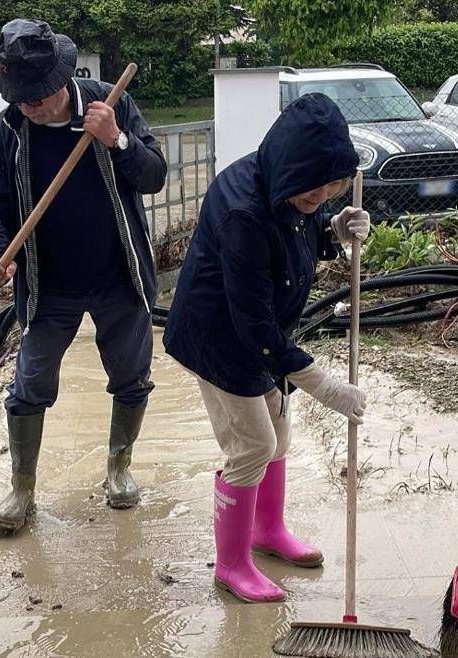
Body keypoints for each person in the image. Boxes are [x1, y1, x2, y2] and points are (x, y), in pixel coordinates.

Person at [163, 94, 370, 603]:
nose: (322, 193)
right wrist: (323, 385)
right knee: (252, 444)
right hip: (219, 337)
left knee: (277, 430)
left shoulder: (291, 187)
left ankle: (267, 531)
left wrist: (335, 231)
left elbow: (300, 227)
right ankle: (231, 564)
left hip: (259, 333)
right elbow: (252, 324)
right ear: (287, 166)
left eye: (335, 183)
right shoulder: (243, 212)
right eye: (313, 186)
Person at [0, 19, 166, 531]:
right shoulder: (6, 130)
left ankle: (118, 471)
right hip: (46, 283)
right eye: (19, 97)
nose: (29, 106)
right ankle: (22, 490)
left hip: (118, 274)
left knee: (130, 376)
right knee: (29, 383)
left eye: (36, 97)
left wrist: (117, 140)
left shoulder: (109, 104)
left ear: (62, 80)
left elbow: (154, 175)